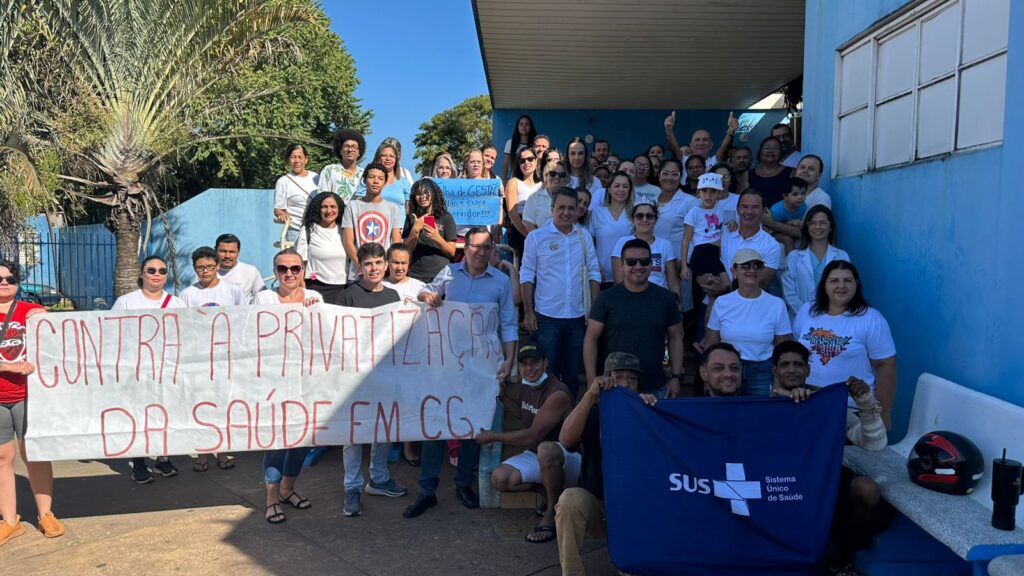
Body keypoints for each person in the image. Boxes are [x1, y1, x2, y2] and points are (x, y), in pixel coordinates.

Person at [408, 227, 518, 518]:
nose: (481, 252)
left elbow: (508, 323)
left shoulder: (501, 282)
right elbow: (426, 291)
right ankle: (427, 489)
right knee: (435, 425)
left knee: (474, 427)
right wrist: (427, 295)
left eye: (486, 247)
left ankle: (463, 483)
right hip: (445, 365)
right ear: (465, 247)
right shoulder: (449, 274)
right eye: (475, 246)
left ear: (492, 249)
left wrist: (510, 359)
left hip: (481, 365)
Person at [768, 340, 888, 575]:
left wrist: (865, 401)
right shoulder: (763, 402)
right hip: (780, 482)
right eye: (785, 365)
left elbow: (875, 444)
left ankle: (844, 562)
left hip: (824, 477)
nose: (792, 370)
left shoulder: (827, 401)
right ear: (775, 370)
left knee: (867, 489)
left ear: (808, 370)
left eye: (798, 364)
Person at [553, 352, 657, 576]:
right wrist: (589, 397)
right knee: (569, 501)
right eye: (619, 377)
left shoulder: (647, 411)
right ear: (607, 379)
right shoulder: (595, 412)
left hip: (636, 510)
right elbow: (565, 439)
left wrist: (650, 412)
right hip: (599, 504)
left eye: (632, 378)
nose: (626, 384)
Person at [335, 243, 408, 516]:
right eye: (368, 264)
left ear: (386, 265)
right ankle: (352, 488)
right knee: (352, 434)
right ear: (360, 267)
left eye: (379, 263)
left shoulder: (393, 295)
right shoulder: (348, 295)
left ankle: (378, 479)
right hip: (354, 377)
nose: (374, 268)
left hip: (386, 374)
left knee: (383, 428)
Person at [476, 342, 575, 543]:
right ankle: (549, 492)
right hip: (539, 454)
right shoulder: (526, 386)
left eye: (534, 362)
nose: (529, 368)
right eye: (524, 364)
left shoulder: (557, 393)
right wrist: (502, 396)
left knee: (545, 449)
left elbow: (531, 436)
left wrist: (493, 436)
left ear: (545, 363)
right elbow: (524, 413)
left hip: (566, 456)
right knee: (500, 478)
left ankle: (551, 514)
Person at [254, 249, 322, 524]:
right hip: (273, 382)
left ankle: (287, 490)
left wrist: (315, 313)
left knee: (300, 442)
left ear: (303, 271)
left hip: (305, 382)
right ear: (275, 271)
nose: (289, 274)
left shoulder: (315, 300)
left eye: (295, 269)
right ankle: (271, 500)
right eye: (282, 269)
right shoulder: (264, 298)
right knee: (277, 443)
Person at [0, 259, 64, 544]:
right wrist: (10, 367)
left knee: (35, 455)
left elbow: (56, 339)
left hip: (30, 397)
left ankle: (45, 514)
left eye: (10, 279)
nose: (4, 283)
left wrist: (45, 317)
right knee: (3, 459)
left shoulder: (30, 311)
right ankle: (10, 520)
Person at [792, 260, 897, 428]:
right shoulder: (807, 311)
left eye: (847, 280)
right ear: (824, 284)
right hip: (808, 402)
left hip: (850, 410)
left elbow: (886, 366)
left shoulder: (871, 319)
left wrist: (884, 412)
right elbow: (797, 353)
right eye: (834, 280)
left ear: (856, 284)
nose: (841, 286)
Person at [521, 187, 601, 398]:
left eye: (571, 208)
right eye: (561, 207)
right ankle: (548, 422)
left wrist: (593, 310)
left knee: (572, 374)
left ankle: (570, 420)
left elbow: (593, 272)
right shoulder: (536, 237)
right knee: (548, 372)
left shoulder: (584, 237)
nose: (566, 212)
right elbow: (527, 275)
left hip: (577, 317)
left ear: (577, 211)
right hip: (547, 317)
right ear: (552, 208)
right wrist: (528, 313)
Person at [111, 256, 184, 483]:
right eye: (151, 270)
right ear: (141, 274)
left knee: (164, 414)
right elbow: (110, 332)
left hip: (166, 370)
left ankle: (163, 457)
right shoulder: (126, 302)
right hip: (135, 371)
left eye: (162, 271)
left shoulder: (177, 304)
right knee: (138, 417)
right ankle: (139, 463)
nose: (157, 274)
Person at [584, 238, 684, 399]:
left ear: (651, 264)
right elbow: (590, 339)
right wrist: (591, 378)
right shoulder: (606, 298)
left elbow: (675, 338)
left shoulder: (666, 298)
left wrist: (676, 377)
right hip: (614, 385)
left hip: (655, 385)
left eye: (644, 261)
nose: (638, 266)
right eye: (631, 262)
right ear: (621, 265)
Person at [179, 247, 245, 472]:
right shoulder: (188, 294)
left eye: (209, 266)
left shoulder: (233, 291)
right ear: (194, 268)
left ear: (217, 266)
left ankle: (223, 450)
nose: (205, 271)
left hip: (226, 358)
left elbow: (243, 321)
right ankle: (202, 453)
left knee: (223, 406)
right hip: (198, 359)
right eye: (200, 267)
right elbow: (182, 325)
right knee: (200, 406)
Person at [703, 249, 792, 396]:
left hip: (762, 371)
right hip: (727, 371)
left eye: (757, 266)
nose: (752, 270)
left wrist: (777, 383)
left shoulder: (777, 304)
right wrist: (709, 380)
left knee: (760, 417)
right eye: (745, 266)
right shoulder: (722, 302)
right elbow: (711, 345)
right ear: (734, 271)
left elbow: (781, 349)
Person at [782, 206, 850, 318]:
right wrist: (806, 314)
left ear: (830, 227)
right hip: (801, 318)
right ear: (807, 227)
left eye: (823, 222)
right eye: (813, 223)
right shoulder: (794, 257)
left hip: (834, 318)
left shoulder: (842, 256)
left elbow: (846, 288)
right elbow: (789, 293)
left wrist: (831, 314)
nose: (818, 227)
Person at [342, 162, 404, 277]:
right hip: (357, 274)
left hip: (383, 273)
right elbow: (348, 241)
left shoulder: (393, 209)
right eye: (371, 177)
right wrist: (361, 266)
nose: (376, 181)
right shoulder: (352, 206)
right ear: (364, 180)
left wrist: (385, 267)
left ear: (385, 183)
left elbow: (396, 241)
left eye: (380, 178)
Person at [611, 202, 680, 297]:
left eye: (649, 216)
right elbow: (619, 281)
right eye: (639, 216)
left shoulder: (665, 244)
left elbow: (673, 283)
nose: (644, 219)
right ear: (633, 219)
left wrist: (678, 308)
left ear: (655, 219)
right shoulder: (622, 243)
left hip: (660, 299)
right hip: (630, 299)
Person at [295, 191, 348, 303]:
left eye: (333, 207)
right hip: (315, 289)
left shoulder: (346, 231)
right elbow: (299, 266)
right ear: (318, 209)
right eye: (324, 207)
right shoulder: (307, 230)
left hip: (344, 289)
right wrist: (305, 293)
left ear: (339, 209)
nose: (329, 211)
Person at [402, 178, 456, 283]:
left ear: (434, 194)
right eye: (418, 194)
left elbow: (451, 252)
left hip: (440, 274)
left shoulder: (446, 217)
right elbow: (406, 252)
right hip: (415, 274)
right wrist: (415, 230)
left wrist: (436, 237)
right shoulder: (411, 218)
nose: (422, 196)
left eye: (426, 192)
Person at [587, 171, 634, 288]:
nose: (621, 190)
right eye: (617, 186)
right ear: (609, 189)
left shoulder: (635, 214)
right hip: (601, 274)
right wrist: (595, 266)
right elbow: (590, 245)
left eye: (625, 186)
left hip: (628, 275)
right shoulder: (597, 212)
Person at [273, 143, 319, 242]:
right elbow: (278, 209)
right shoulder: (283, 181)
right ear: (288, 160)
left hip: (316, 229)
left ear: (306, 159)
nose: (297, 161)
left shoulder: (316, 177)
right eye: (293, 157)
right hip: (295, 230)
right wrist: (281, 214)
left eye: (300, 157)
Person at [505, 146, 543, 256]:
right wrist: (528, 235)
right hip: (520, 230)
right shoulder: (513, 182)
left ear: (536, 160)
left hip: (540, 227)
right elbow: (512, 213)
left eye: (530, 159)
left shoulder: (543, 184)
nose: (526, 163)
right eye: (522, 161)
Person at [214, 233, 266, 303]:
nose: (227, 256)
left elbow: (263, 298)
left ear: (238, 252)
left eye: (232, 252)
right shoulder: (205, 272)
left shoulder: (250, 271)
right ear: (215, 250)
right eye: (223, 251)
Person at [365, 138, 413, 212]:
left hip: (399, 223)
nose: (388, 158)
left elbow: (410, 206)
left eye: (392, 155)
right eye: (384, 155)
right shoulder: (367, 178)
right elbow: (359, 203)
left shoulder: (405, 179)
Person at [522, 156, 568, 233]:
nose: (557, 177)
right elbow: (527, 222)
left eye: (561, 174)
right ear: (545, 176)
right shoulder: (534, 198)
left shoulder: (570, 198)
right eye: (553, 173)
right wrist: (541, 239)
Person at [764, 176, 810, 254]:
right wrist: (789, 223)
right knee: (788, 240)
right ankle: (791, 263)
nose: (800, 197)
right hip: (774, 232)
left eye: (803, 193)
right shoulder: (776, 210)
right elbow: (771, 227)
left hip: (792, 231)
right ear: (785, 196)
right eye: (795, 194)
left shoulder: (804, 207)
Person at [319, 128, 366, 202]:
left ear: (359, 152)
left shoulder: (364, 174)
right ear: (340, 150)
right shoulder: (330, 170)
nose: (350, 150)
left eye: (354, 147)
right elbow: (322, 197)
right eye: (346, 146)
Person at [747, 136, 793, 207]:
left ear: (781, 152)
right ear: (760, 152)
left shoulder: (791, 172)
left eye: (776, 148)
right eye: (767, 148)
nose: (771, 150)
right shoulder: (748, 175)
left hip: (781, 217)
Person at [501, 114, 536, 181]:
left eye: (527, 124)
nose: (524, 127)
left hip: (531, 180)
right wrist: (503, 182)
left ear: (531, 127)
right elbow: (505, 165)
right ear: (517, 127)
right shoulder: (510, 143)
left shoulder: (535, 144)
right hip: (515, 179)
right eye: (521, 124)